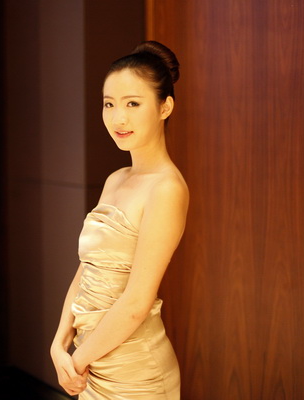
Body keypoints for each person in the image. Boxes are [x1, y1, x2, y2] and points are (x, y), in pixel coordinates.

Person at [50, 41, 188, 399]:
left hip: (136, 373)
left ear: (165, 107)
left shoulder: (167, 188)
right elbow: (87, 270)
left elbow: (137, 302)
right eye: (109, 104)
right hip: (90, 362)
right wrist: (59, 343)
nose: (118, 118)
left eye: (133, 104)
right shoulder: (115, 179)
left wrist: (77, 361)